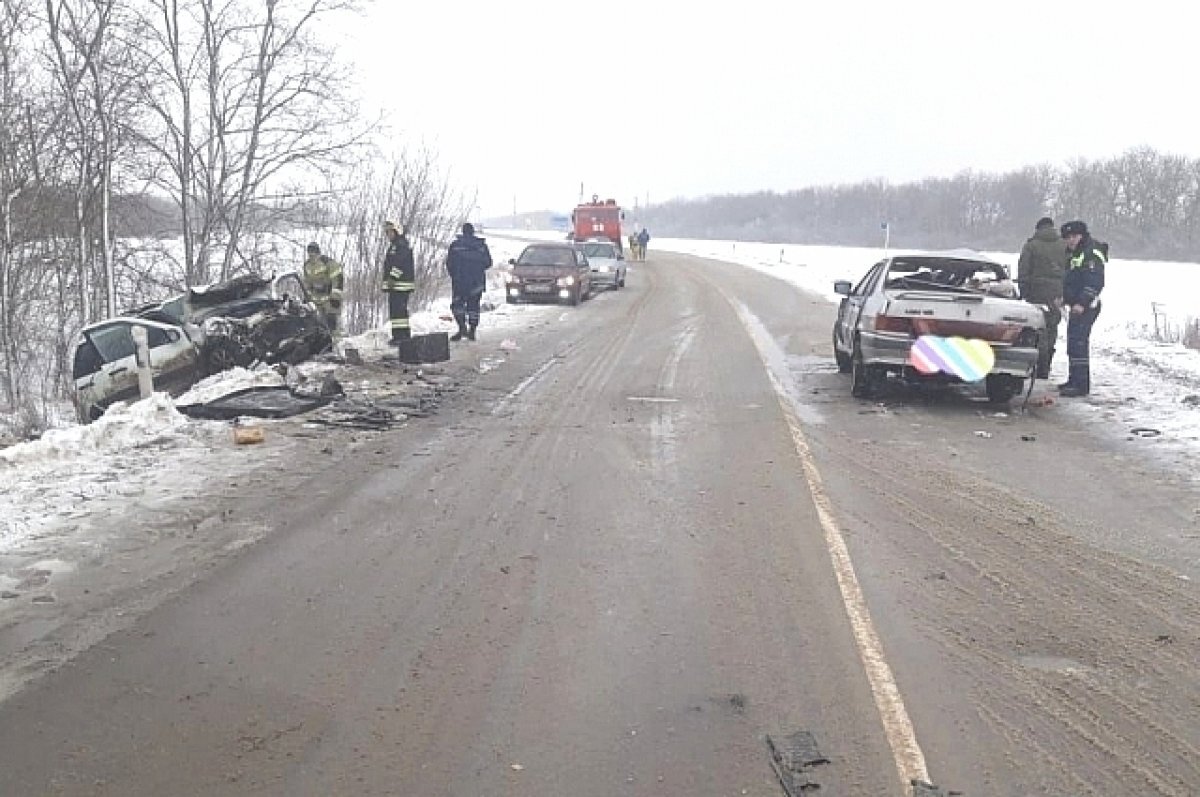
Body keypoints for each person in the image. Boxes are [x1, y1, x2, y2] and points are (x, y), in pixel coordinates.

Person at [1058, 220, 1106, 397]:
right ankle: (1073, 380)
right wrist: (1065, 298)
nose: (1070, 240)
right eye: (1067, 238)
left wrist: (1082, 303)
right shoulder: (1074, 253)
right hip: (1075, 304)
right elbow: (1071, 279)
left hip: (1086, 306)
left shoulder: (1091, 253)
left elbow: (1094, 282)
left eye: (1073, 237)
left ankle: (1081, 385)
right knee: (1073, 342)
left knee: (1079, 343)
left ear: (1081, 235)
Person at [1016, 217, 1069, 378]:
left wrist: (1024, 293)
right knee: (1052, 328)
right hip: (1057, 293)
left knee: (1037, 328)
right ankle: (1046, 365)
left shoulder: (1031, 245)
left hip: (1036, 292)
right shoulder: (1064, 245)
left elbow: (1023, 271)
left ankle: (1038, 364)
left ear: (1038, 229)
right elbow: (1069, 269)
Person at [446, 222, 492, 341]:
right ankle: (472, 331)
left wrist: (455, 275)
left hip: (459, 282)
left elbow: (449, 264)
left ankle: (462, 328)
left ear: (463, 231)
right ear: (473, 232)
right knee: (474, 306)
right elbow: (488, 263)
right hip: (477, 283)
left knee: (457, 305)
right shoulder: (481, 246)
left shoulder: (455, 246)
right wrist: (477, 269)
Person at [381, 221, 415, 344]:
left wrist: (392, 278)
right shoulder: (395, 245)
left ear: (397, 231)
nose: (388, 235)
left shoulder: (401, 245)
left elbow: (399, 264)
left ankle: (402, 337)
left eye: (390, 232)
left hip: (400, 285)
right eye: (387, 232)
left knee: (399, 312)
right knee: (396, 312)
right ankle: (398, 336)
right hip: (396, 286)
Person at [301, 242, 345, 334]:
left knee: (333, 326)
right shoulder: (307, 265)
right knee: (318, 328)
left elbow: (338, 279)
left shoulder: (328, 262)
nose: (311, 254)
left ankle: (337, 345)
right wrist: (307, 296)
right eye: (309, 252)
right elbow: (307, 282)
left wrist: (335, 297)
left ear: (318, 252)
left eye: (313, 252)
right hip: (316, 302)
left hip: (330, 300)